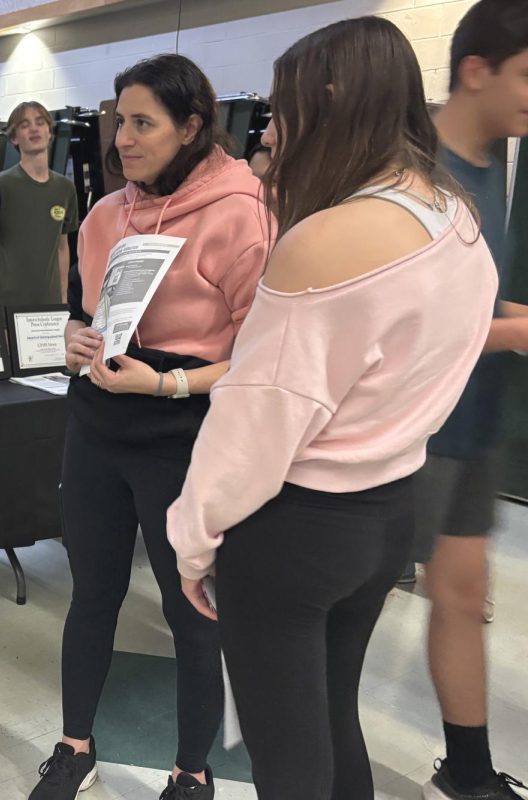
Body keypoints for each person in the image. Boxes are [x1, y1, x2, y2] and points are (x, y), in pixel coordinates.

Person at [166, 17, 500, 799]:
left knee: (288, 762)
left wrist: (192, 538)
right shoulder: (457, 217)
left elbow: (253, 428)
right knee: (330, 723)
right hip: (387, 513)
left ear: (332, 101)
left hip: (293, 532)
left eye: (282, 110)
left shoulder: (323, 241)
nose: (273, 131)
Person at [30, 54, 272, 800]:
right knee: (92, 591)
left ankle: (191, 770)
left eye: (144, 123)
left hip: (185, 431)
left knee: (190, 605)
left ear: (191, 126)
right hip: (99, 422)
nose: (123, 138)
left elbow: (263, 359)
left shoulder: (243, 214)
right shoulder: (105, 214)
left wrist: (170, 381)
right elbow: (86, 314)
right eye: (119, 119)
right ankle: (76, 745)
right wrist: (73, 340)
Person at [412, 2, 528, 797]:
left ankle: (469, 768)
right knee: (344, 612)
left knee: (462, 592)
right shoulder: (413, 172)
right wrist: (516, 332)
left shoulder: (506, 163)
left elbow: (483, 299)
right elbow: (408, 326)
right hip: (407, 436)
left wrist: (512, 324)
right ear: (476, 71)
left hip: (477, 423)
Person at [0, 101, 79, 306]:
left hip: (50, 309)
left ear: (50, 132)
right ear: (14, 137)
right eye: (25, 125)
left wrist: (62, 296)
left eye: (40, 123)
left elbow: (62, 247)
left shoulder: (65, 188)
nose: (34, 128)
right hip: (8, 307)